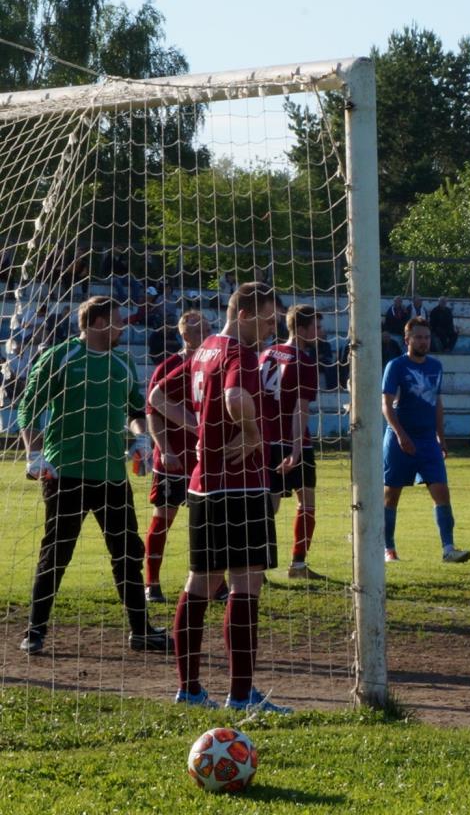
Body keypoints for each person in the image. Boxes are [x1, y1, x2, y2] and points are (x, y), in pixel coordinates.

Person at [151, 281, 293, 712]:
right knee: (245, 584)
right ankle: (241, 695)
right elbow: (234, 396)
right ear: (246, 314)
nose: (271, 329)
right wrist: (250, 431)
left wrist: (201, 431)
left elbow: (158, 397)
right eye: (268, 319)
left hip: (202, 483)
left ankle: (190, 689)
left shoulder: (205, 347)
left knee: (201, 582)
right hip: (241, 483)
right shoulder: (239, 352)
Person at [17, 296, 170, 656]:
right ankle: (35, 631)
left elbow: (135, 409)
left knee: (128, 552)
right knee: (56, 552)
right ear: (100, 323)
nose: (123, 326)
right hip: (65, 472)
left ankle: (140, 631)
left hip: (112, 475)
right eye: (118, 320)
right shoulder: (59, 357)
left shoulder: (123, 362)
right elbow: (29, 406)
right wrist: (34, 454)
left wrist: (139, 438)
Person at [381, 317, 470, 565]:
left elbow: (437, 403)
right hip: (400, 439)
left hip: (427, 440)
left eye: (427, 337)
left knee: (441, 491)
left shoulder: (436, 366)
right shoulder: (396, 366)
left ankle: (449, 548)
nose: (424, 341)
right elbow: (386, 405)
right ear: (407, 340)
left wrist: (440, 437)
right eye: (419, 337)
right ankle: (388, 548)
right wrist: (400, 434)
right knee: (391, 495)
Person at [144, 310, 211, 604]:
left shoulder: (211, 365)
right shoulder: (168, 367)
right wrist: (166, 449)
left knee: (208, 522)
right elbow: (152, 414)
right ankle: (151, 583)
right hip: (173, 459)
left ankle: (213, 582)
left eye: (210, 328)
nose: (209, 334)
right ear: (186, 335)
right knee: (164, 518)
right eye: (202, 330)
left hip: (205, 458)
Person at [260, 304, 323, 579]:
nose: (321, 332)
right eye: (316, 327)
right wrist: (297, 450)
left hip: (263, 439)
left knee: (267, 506)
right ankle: (297, 564)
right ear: (301, 328)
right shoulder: (304, 362)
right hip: (293, 442)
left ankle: (256, 566)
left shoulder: (264, 354)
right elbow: (301, 409)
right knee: (305, 500)